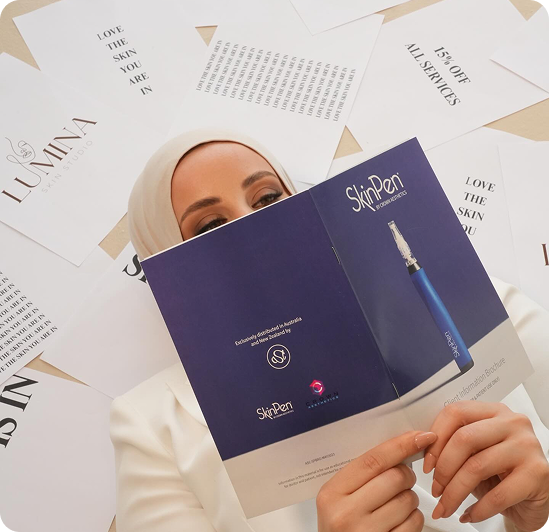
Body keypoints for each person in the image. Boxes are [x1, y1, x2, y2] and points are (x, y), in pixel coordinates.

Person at [110, 129, 549, 532]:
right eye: (210, 226)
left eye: (267, 198)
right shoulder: (154, 425)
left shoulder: (482, 302)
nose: (254, 226)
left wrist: (539, 511)